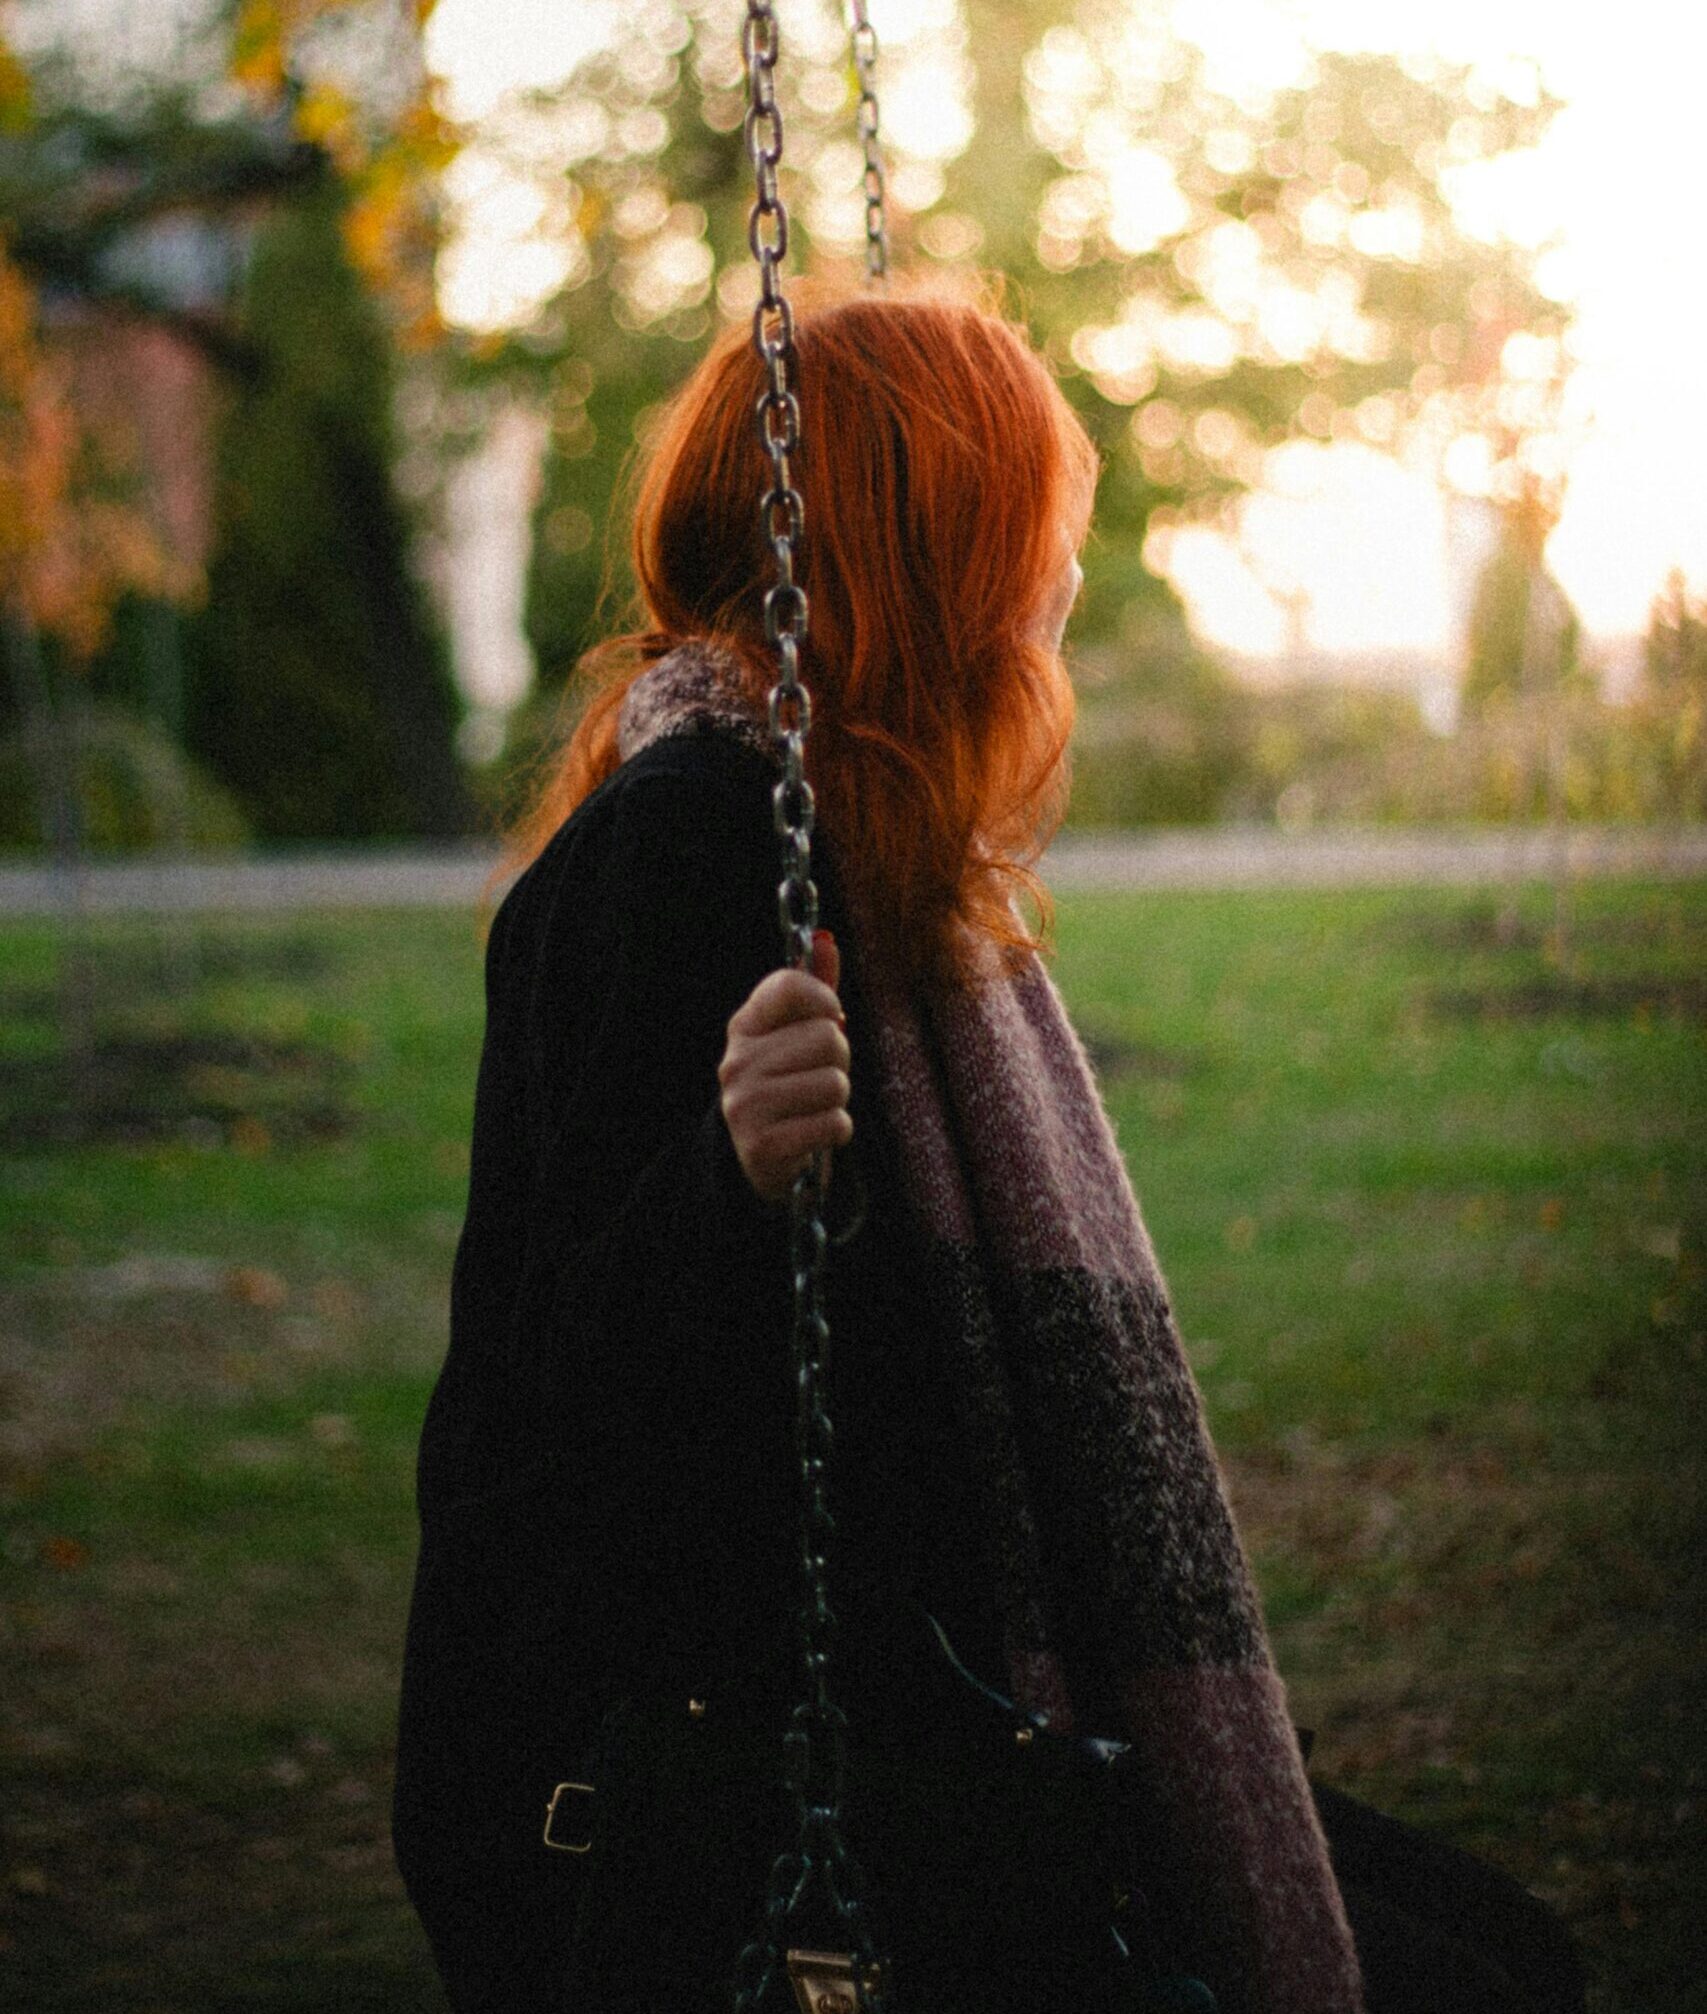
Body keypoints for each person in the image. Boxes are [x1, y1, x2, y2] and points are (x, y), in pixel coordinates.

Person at [392, 284, 1584, 2014]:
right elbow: (548, 1416)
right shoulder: (695, 849)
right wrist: (732, 1172)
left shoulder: (866, 851)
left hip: (927, 1688)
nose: (1065, 587)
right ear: (924, 557)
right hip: (707, 1780)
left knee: (1500, 1948)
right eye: (1033, 538)